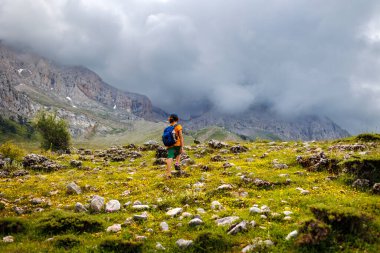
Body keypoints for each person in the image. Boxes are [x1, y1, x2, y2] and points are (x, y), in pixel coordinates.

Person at [165, 114, 184, 179]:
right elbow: (181, 137)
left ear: (170, 120)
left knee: (169, 158)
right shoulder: (178, 126)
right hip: (177, 144)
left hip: (170, 145)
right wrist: (182, 147)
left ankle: (168, 173)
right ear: (177, 119)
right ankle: (177, 164)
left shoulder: (168, 128)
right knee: (179, 153)